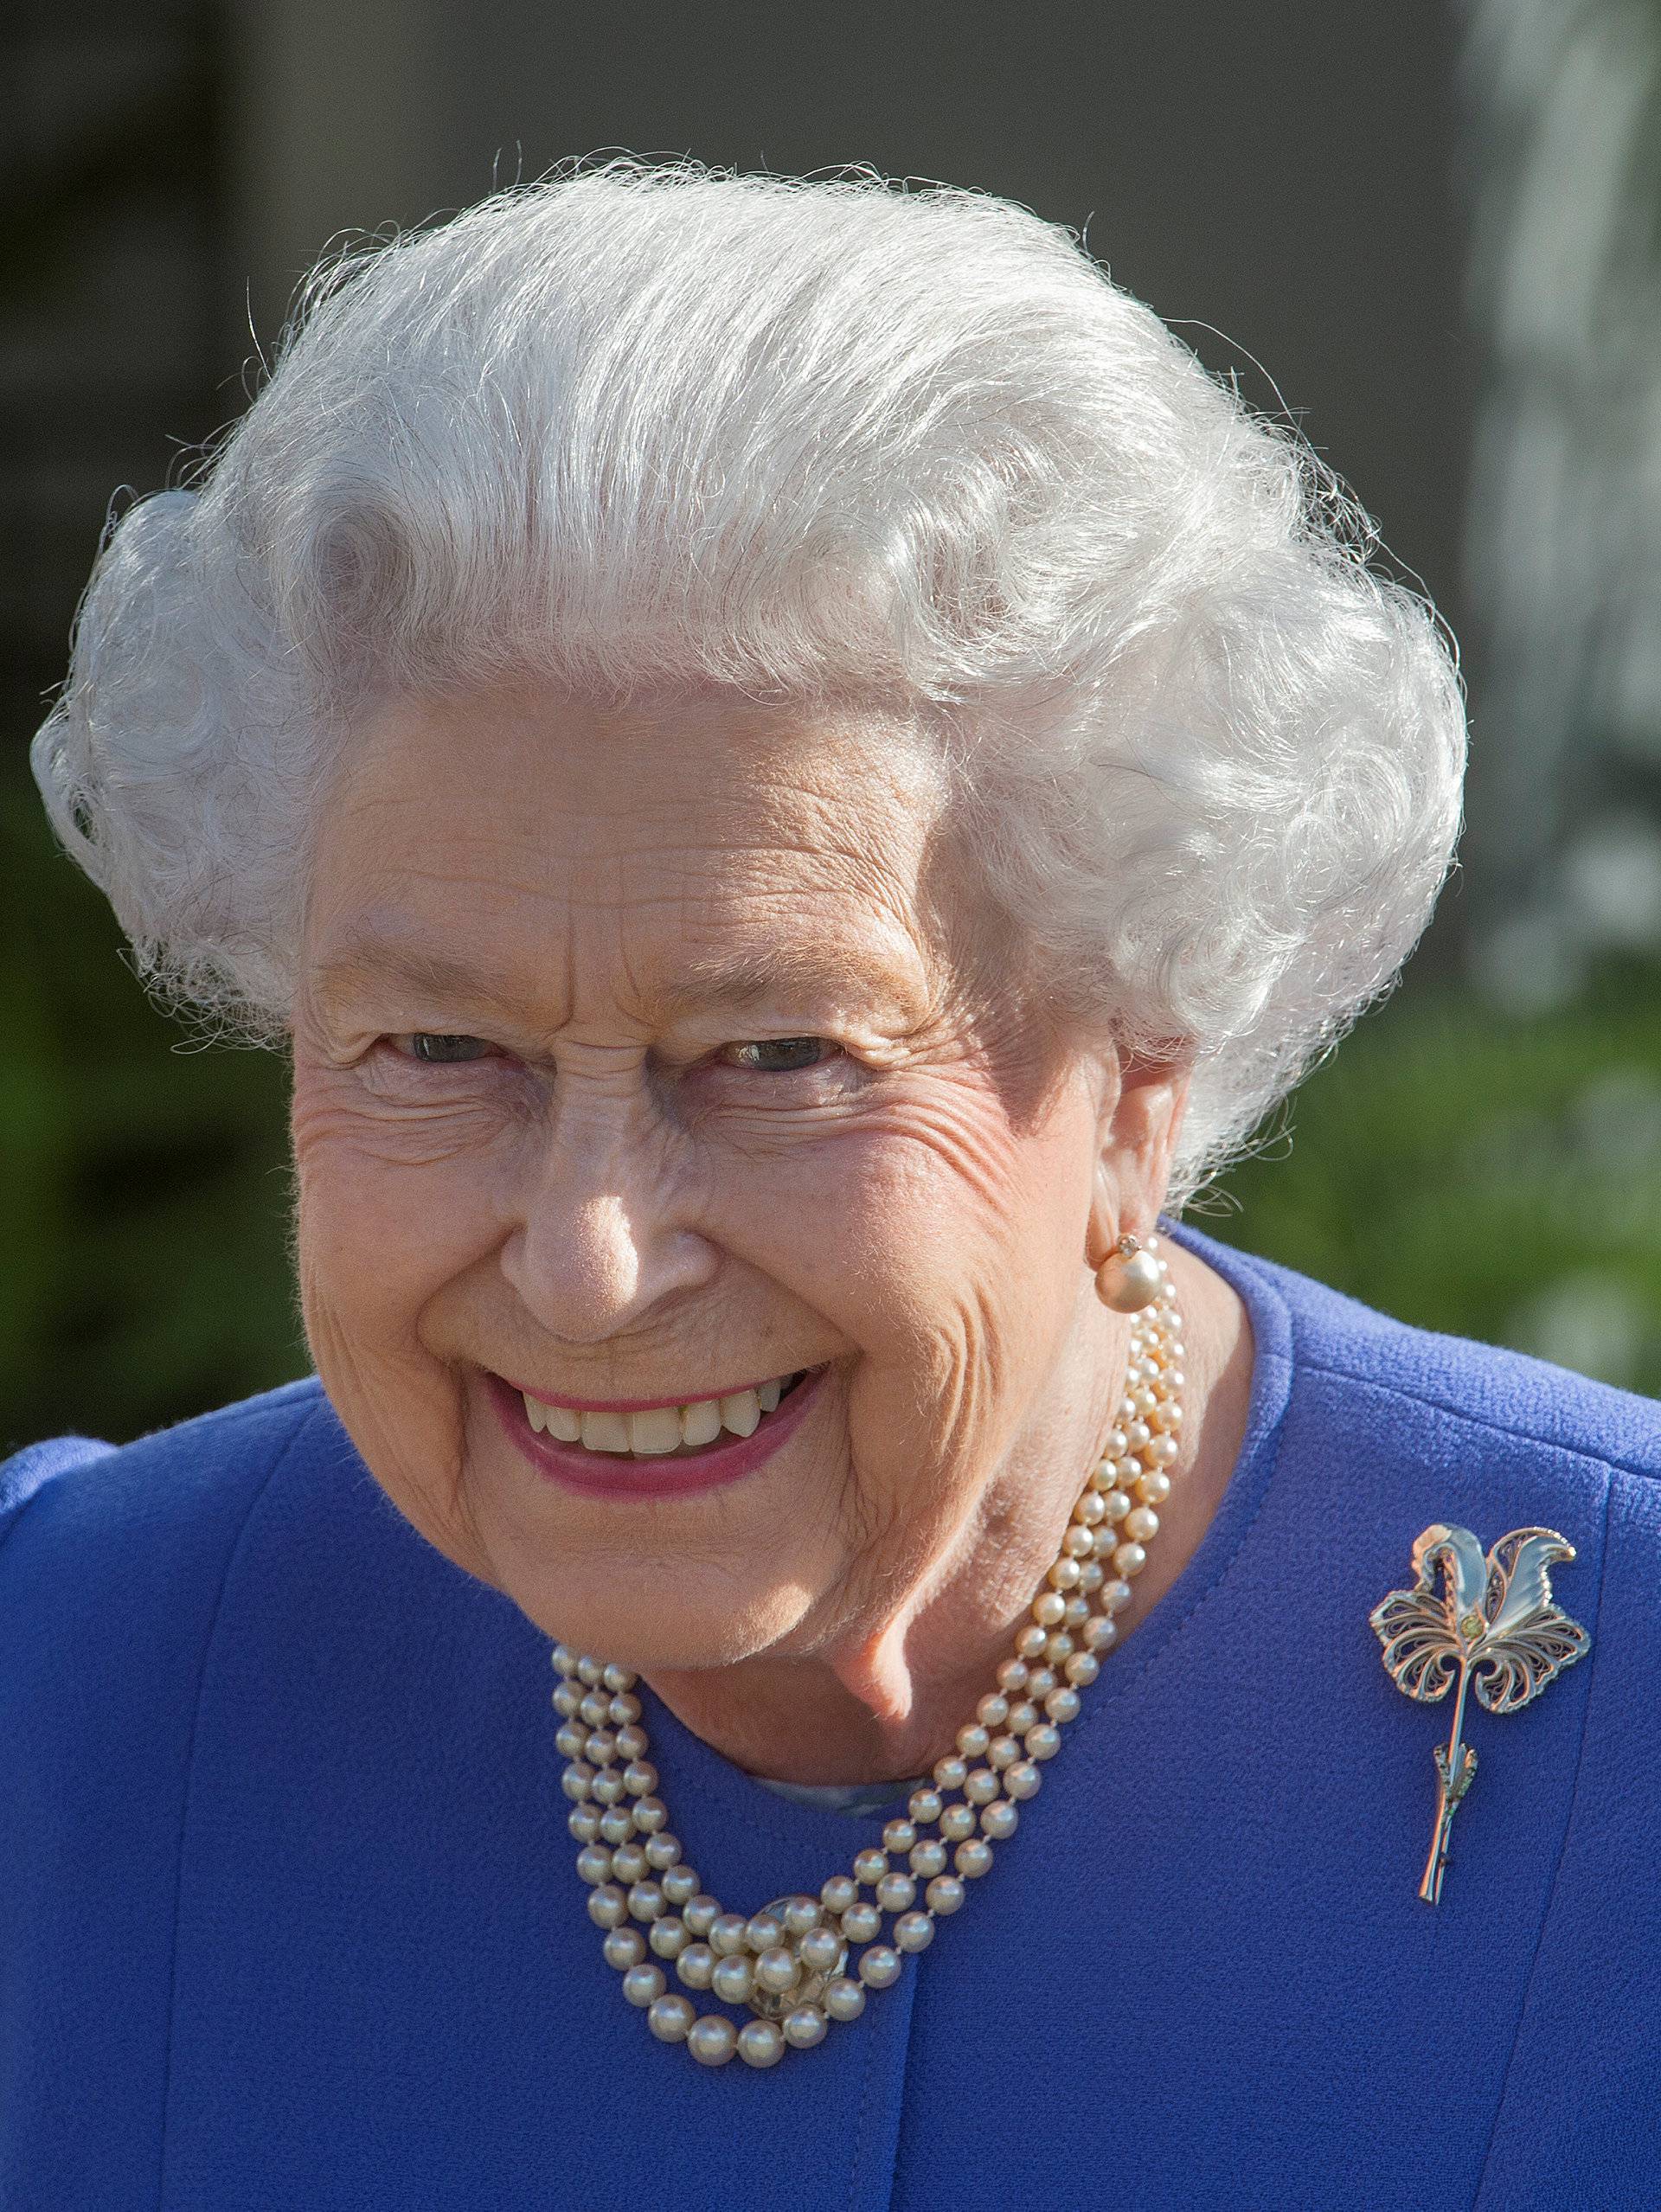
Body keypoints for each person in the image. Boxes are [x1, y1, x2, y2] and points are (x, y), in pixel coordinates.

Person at [3, 161, 1656, 2210]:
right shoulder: (65, 1688)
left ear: (1142, 1077)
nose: (591, 1260)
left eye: (776, 1055)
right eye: (440, 1051)